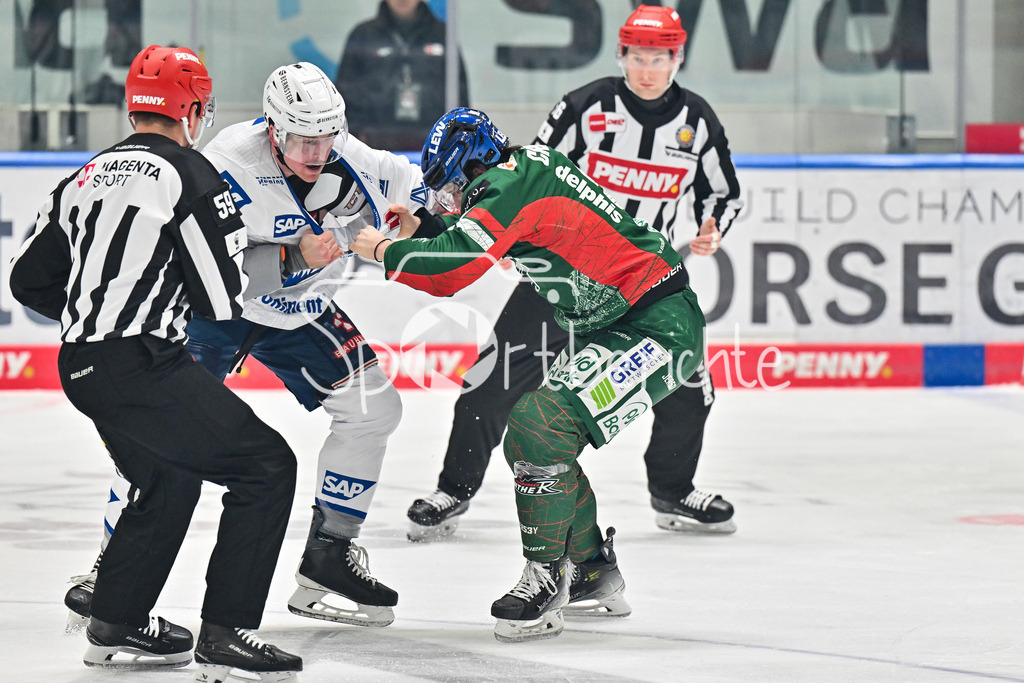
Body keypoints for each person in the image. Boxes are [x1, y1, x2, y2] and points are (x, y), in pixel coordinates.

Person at [62, 62, 431, 632]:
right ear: (273, 129)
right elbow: (205, 267)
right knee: (159, 435)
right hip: (221, 311)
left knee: (373, 409)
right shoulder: (228, 161)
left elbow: (429, 197)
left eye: (326, 137)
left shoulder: (356, 160)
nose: (317, 150)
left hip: (302, 310)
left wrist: (432, 216)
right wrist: (291, 258)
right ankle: (109, 568)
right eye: (303, 139)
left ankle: (329, 553)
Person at [350, 106, 707, 642]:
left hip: (657, 327)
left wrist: (385, 250)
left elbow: (454, 270)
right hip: (618, 324)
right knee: (533, 443)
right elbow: (475, 234)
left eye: (448, 188)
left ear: (472, 168)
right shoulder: (515, 175)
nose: (447, 200)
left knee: (538, 427)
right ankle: (589, 569)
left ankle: (548, 575)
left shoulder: (508, 183)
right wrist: (425, 228)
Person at [9, 45, 302, 677]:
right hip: (143, 363)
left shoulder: (85, 174)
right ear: (192, 108)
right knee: (266, 466)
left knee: (168, 478)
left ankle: (115, 620)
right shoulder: (193, 174)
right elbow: (221, 298)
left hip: (81, 365)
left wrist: (103, 302)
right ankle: (227, 633)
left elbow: (28, 281)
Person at [405, 4, 743, 542]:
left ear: (678, 57)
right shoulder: (585, 107)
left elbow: (724, 192)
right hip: (563, 275)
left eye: (660, 57)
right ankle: (454, 488)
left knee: (688, 381)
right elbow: (526, 174)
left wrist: (713, 225)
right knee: (494, 377)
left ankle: (673, 490)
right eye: (638, 56)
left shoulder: (698, 120)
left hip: (643, 280)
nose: (648, 68)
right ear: (621, 54)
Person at [335, 0, 469, 150]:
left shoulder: (443, 35)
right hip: (374, 148)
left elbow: (459, 96)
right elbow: (345, 97)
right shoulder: (362, 35)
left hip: (433, 148)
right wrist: (358, 143)